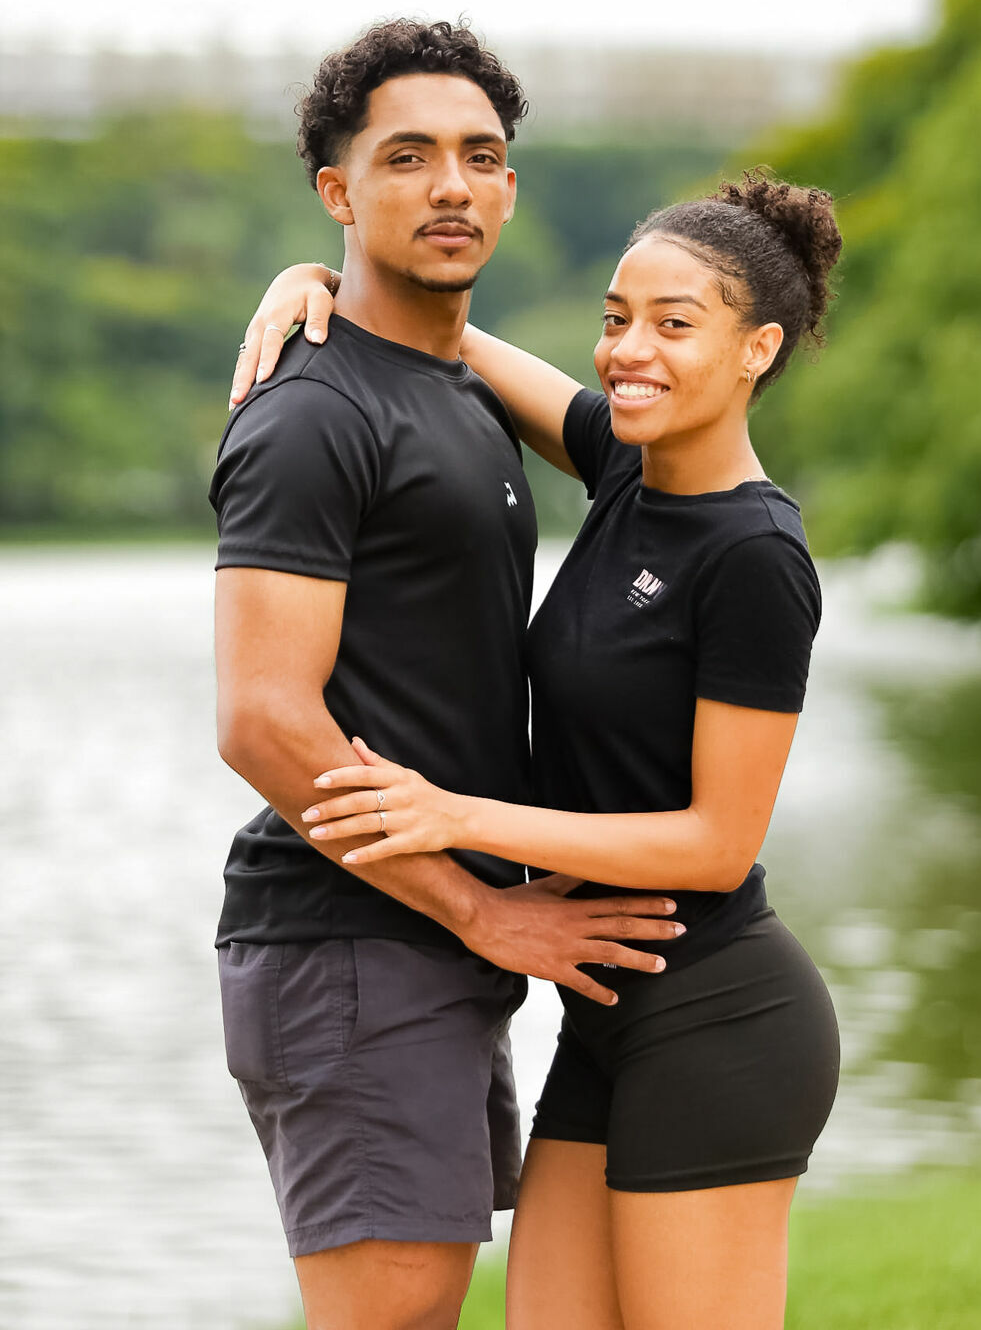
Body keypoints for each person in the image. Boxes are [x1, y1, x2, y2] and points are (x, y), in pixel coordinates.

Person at [238, 172, 843, 1329]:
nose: (630, 351)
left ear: (757, 348)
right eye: (617, 318)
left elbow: (716, 844)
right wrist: (313, 279)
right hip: (607, 1012)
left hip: (720, 1012)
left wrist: (456, 815)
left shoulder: (755, 554)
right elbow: (445, 338)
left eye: (676, 325)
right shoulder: (626, 468)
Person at [211, 18, 682, 1330]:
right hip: (352, 936)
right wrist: (479, 913)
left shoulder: (450, 392)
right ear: (338, 187)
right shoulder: (313, 415)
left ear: (514, 187)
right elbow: (259, 720)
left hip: (412, 945)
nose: (453, 186)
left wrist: (358, 292)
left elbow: (641, 462)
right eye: (407, 157)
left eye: (481, 157)